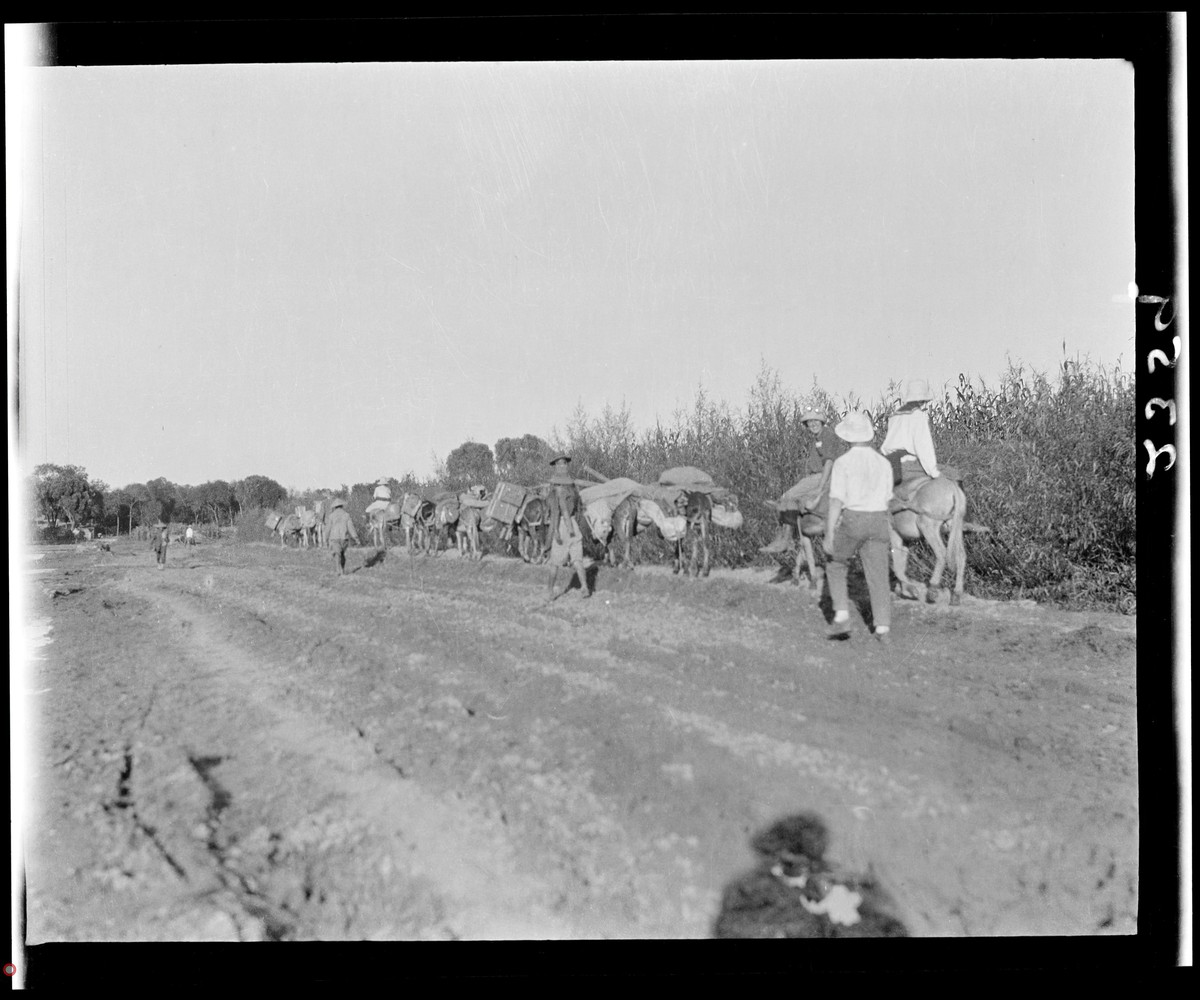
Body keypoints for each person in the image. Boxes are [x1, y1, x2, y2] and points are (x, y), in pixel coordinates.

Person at [823, 411, 894, 644]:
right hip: (879, 520)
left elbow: (836, 501)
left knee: (835, 562)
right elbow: (887, 498)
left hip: (854, 519)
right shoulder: (883, 462)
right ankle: (882, 627)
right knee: (878, 574)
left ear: (848, 436)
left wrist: (830, 532)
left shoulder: (843, 462)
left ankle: (842, 615)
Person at [880, 379, 941, 492]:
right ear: (921, 399)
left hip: (891, 462)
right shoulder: (918, 415)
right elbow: (923, 446)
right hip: (909, 460)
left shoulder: (894, 416)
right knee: (952, 474)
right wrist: (933, 472)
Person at [544, 456, 591, 602]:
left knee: (555, 563)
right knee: (577, 560)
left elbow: (555, 513)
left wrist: (556, 532)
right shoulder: (573, 490)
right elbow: (578, 510)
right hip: (573, 526)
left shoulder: (554, 492)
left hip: (562, 526)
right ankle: (584, 587)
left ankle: (550, 591)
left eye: (561, 464)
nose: (562, 466)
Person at [325, 498, 361, 576]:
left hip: (334, 538)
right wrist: (356, 538)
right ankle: (343, 570)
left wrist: (325, 538)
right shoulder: (346, 515)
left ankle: (338, 570)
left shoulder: (331, 516)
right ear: (342, 506)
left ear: (334, 507)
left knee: (337, 554)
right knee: (342, 554)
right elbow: (351, 528)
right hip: (344, 538)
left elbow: (327, 529)